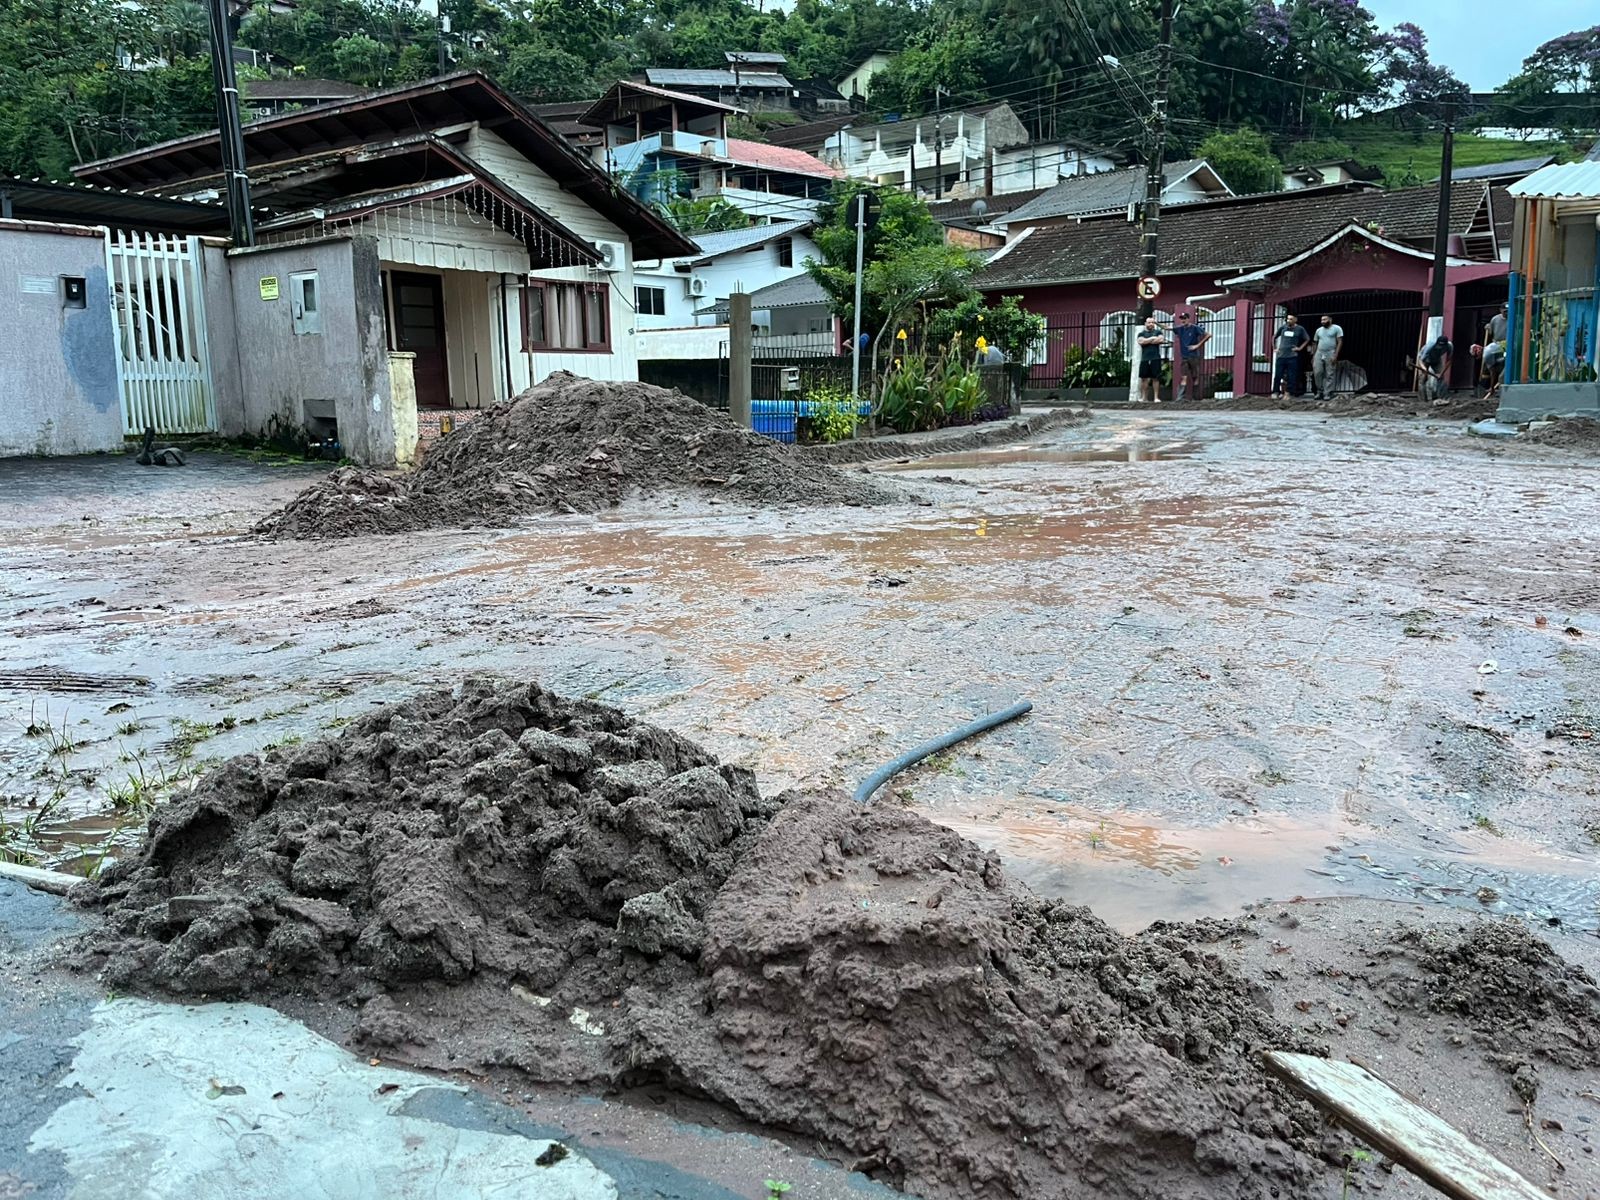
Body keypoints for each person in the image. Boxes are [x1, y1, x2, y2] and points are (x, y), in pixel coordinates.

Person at [1173, 311, 1210, 401]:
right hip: (1184, 356)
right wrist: (1156, 323)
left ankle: (1196, 397)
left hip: (1193, 356)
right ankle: (1180, 397)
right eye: (1182, 319)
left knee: (1195, 376)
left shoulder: (1195, 328)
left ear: (1188, 319)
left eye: (1184, 318)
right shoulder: (1180, 329)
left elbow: (1208, 335)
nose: (1183, 320)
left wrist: (1197, 345)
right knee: (1184, 376)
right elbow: (1167, 328)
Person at [1272, 314, 1309, 400]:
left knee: (1291, 375)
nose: (1288, 321)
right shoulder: (1283, 328)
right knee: (1278, 375)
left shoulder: (1300, 329)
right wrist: (1274, 348)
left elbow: (1307, 339)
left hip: (1292, 356)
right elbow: (1274, 336)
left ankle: (1288, 393)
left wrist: (1299, 348)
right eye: (1288, 319)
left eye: (1291, 319)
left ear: (1296, 319)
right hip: (1281, 355)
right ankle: (1275, 392)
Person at [1311, 314, 1344, 401]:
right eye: (1322, 320)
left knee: (1330, 373)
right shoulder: (1319, 330)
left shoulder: (1337, 328)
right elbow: (1314, 343)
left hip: (1330, 352)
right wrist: (1314, 355)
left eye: (1325, 319)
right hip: (1319, 352)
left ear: (1330, 320)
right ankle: (1319, 391)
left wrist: (1335, 355)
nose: (1323, 321)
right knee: (1317, 372)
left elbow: (1340, 342)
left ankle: (1327, 393)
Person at [1135, 316, 1166, 403]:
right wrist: (1152, 339)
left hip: (1155, 358)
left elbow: (1160, 340)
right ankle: (1144, 397)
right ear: (1146, 323)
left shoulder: (1158, 332)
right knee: (1144, 378)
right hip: (1145, 359)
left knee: (1155, 378)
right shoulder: (1141, 333)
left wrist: (1147, 341)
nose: (1151, 324)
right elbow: (1141, 341)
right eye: (1149, 322)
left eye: (1152, 322)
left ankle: (1156, 397)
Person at [1482, 304, 1508, 398]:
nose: (1506, 313)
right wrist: (1488, 328)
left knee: (1505, 366)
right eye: (1504, 311)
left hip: (1508, 345)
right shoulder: (1495, 319)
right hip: (1497, 344)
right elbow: (1491, 332)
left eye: (1508, 311)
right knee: (1492, 366)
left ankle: (1501, 389)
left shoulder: (1514, 318)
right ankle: (1490, 386)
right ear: (1500, 310)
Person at [1419, 333, 1452, 401]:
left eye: (1442, 346)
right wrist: (1424, 368)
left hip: (1437, 359)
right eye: (1439, 345)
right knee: (1423, 379)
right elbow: (1421, 360)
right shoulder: (1430, 346)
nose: (1440, 347)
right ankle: (1422, 400)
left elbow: (1449, 361)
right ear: (1436, 343)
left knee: (1440, 378)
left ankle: (1440, 398)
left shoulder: (1449, 346)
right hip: (1426, 359)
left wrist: (1441, 373)